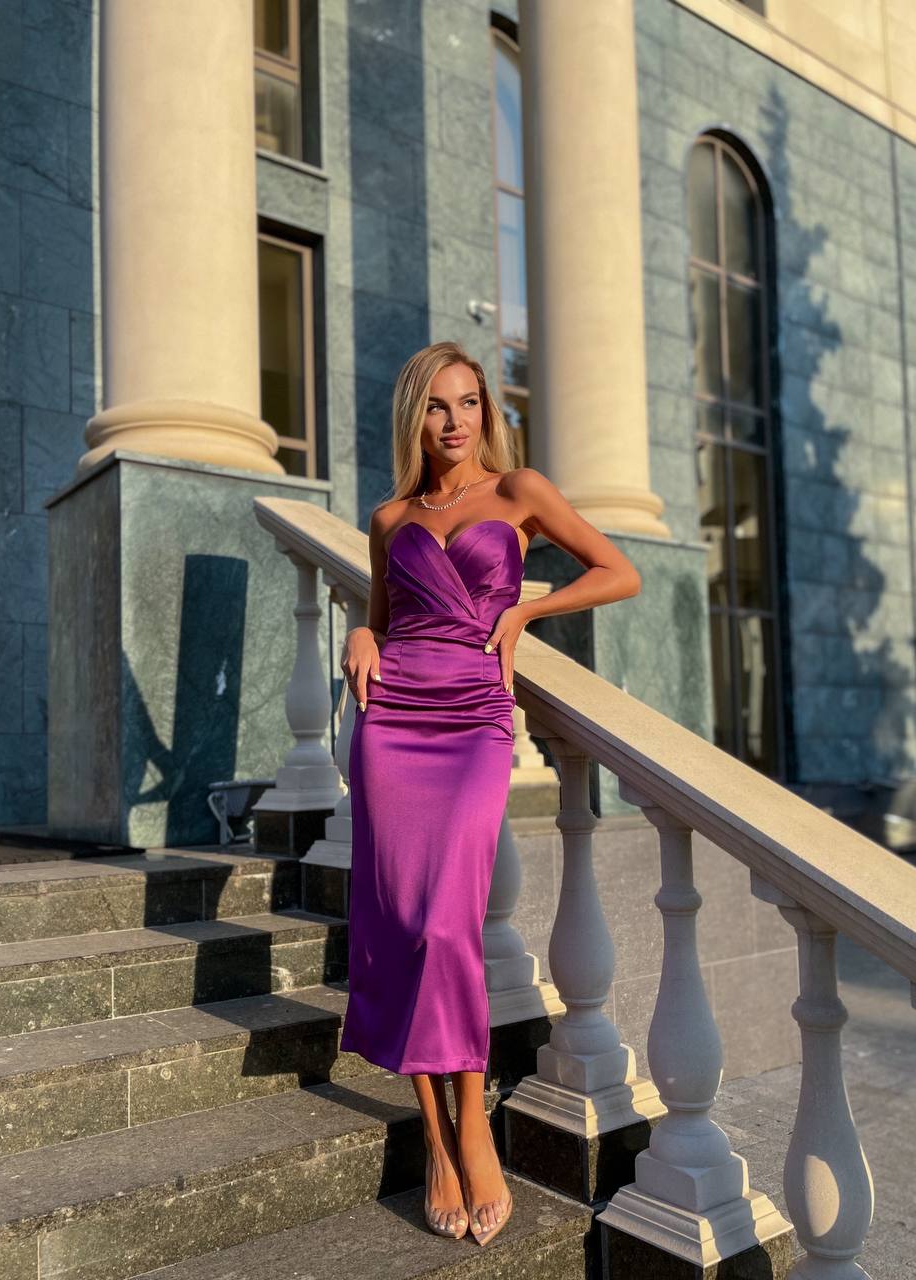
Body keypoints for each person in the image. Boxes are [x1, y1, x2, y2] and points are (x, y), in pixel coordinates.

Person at [339, 340, 642, 1245]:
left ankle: (473, 1119)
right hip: (391, 723)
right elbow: (388, 620)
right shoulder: (389, 517)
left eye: (467, 403)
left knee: (448, 924)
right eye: (436, 406)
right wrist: (360, 633)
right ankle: (439, 1138)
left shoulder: (520, 493)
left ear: (486, 412)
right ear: (414, 418)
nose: (453, 422)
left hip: (472, 721)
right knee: (400, 927)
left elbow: (618, 571)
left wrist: (522, 610)